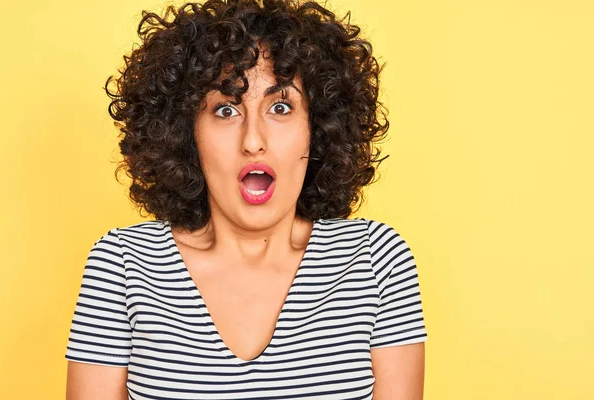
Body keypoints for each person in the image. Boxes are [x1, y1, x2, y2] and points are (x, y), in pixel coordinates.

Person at [64, 0, 428, 398]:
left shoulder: (376, 261)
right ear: (187, 132)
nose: (253, 140)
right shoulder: (123, 265)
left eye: (281, 106)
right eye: (225, 111)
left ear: (317, 128)